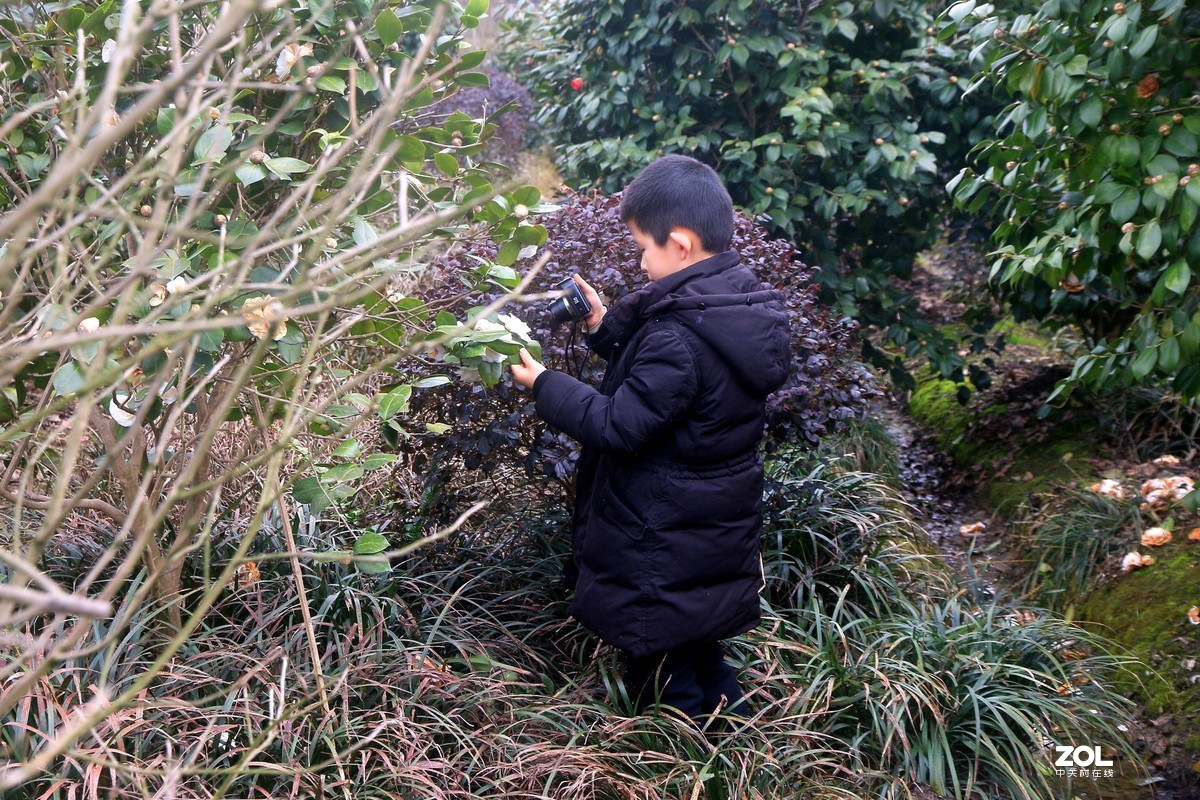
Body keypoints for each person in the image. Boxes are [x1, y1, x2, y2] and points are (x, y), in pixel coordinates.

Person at [509, 154, 792, 726]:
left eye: (643, 248)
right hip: (703, 525)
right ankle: (738, 738)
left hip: (659, 533)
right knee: (695, 644)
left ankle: (685, 754)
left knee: (660, 664)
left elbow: (619, 423)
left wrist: (545, 384)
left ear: (680, 244)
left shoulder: (679, 336)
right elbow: (669, 382)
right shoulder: (731, 302)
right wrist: (601, 325)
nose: (640, 262)